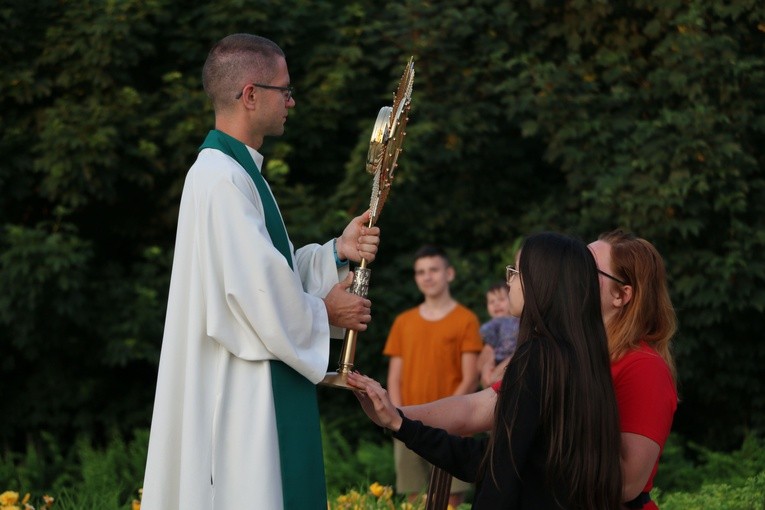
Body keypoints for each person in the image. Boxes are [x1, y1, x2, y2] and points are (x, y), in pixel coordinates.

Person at [141, 33, 381, 510]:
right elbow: (254, 293)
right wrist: (323, 309)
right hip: (240, 390)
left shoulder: (237, 172)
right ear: (251, 95)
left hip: (251, 375)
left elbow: (272, 272)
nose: (291, 101)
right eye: (284, 90)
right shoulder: (221, 178)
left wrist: (336, 251)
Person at [389, 230, 677, 510]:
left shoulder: (644, 367)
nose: (572, 270)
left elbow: (627, 483)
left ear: (621, 295)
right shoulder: (562, 354)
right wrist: (394, 415)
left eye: (587, 267)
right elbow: (476, 409)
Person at [383, 244, 483, 506]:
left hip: (453, 426)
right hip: (410, 422)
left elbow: (470, 377)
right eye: (421, 272)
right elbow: (395, 377)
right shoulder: (404, 322)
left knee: (449, 501)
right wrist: (398, 414)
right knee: (414, 500)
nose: (427, 277)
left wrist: (445, 414)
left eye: (434, 270)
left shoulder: (466, 320)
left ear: (449, 274)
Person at [475, 281, 519, 388]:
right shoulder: (492, 326)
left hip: (515, 362)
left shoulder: (518, 320)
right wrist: (489, 363)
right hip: (497, 362)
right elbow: (483, 360)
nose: (496, 304)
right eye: (491, 302)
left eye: (501, 299)